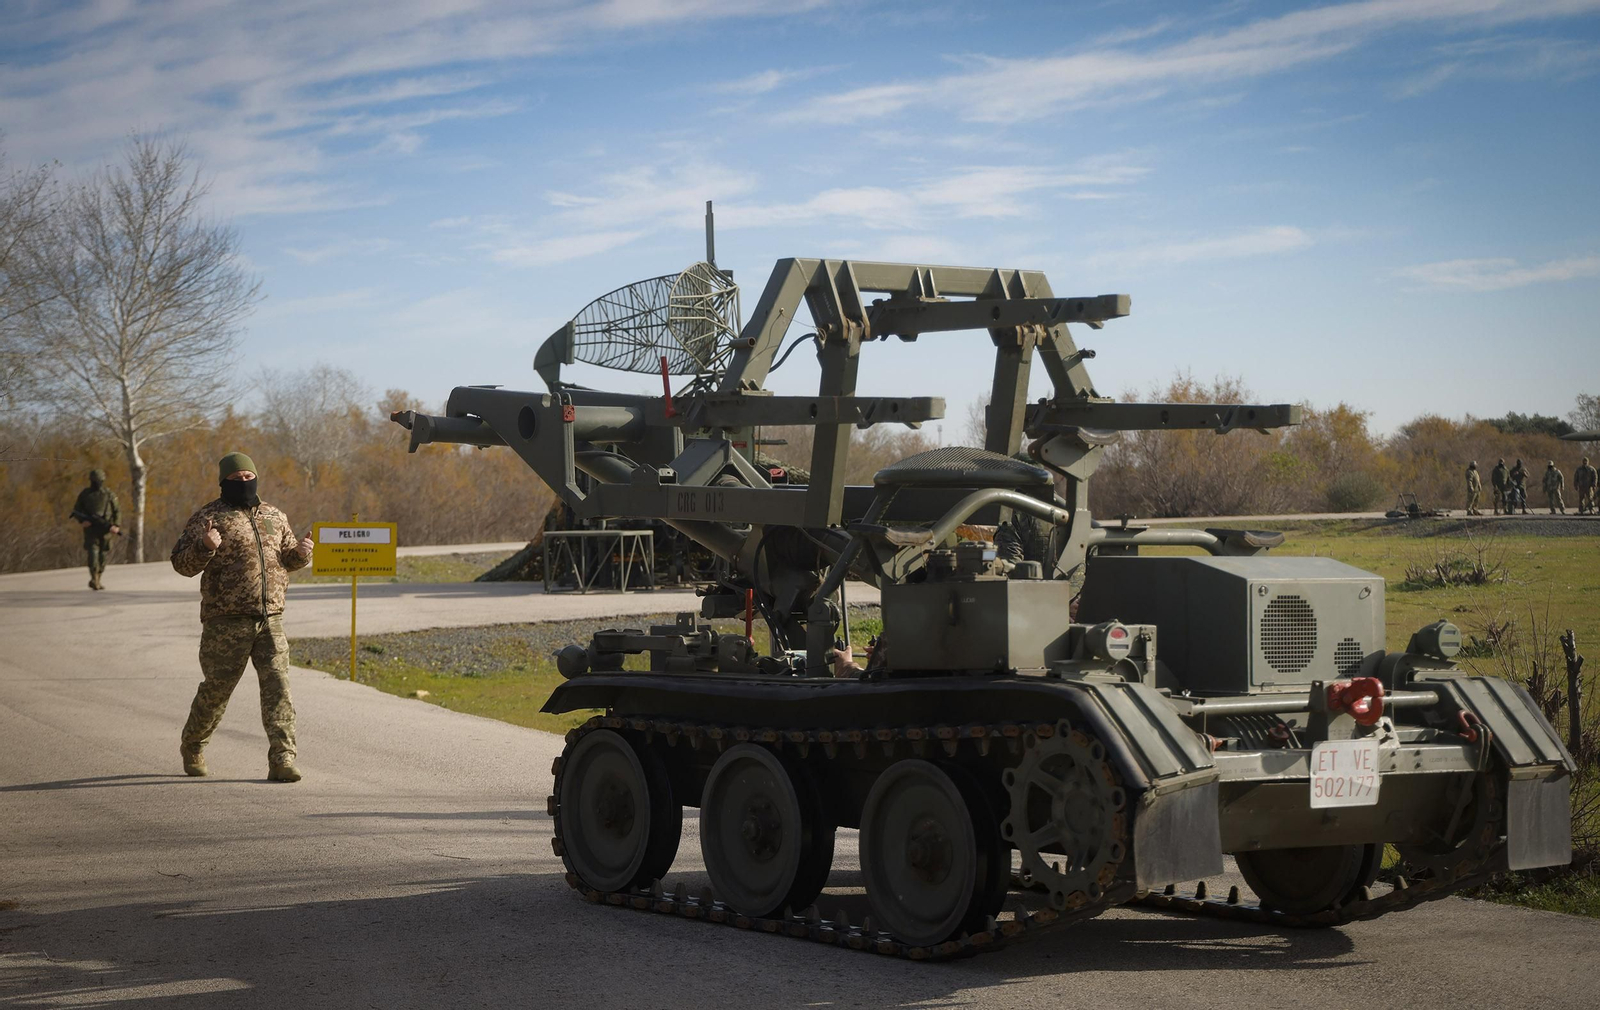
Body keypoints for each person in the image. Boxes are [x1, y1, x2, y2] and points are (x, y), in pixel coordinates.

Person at [170, 452, 313, 782]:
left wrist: (301, 554)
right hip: (226, 621)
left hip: (270, 618)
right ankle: (193, 745)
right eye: (236, 480)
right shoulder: (208, 517)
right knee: (217, 690)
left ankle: (282, 758)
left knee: (278, 688)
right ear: (223, 482)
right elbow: (182, 565)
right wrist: (205, 546)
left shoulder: (274, 516)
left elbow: (287, 558)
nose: (244, 483)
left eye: (249, 478)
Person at [70, 468, 121, 590]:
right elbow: (76, 510)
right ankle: (94, 579)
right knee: (93, 554)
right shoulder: (85, 495)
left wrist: (116, 525)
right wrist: (83, 521)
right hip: (91, 530)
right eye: (94, 480)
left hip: (105, 530)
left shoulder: (109, 494)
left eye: (98, 480)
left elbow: (117, 511)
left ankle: (98, 576)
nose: (96, 483)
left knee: (103, 557)